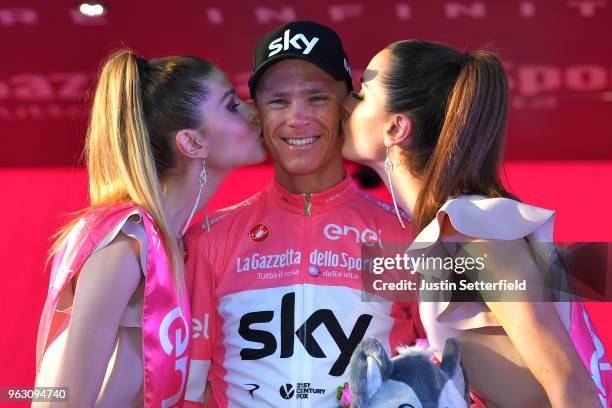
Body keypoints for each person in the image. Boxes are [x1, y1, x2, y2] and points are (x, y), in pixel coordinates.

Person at [342, 39, 610, 407]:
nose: (345, 104)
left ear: (396, 128)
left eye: (361, 94)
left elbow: (572, 387)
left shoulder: (472, 228)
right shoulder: (451, 228)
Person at [184, 21, 424, 407]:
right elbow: (190, 389)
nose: (297, 118)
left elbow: (446, 372)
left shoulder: (403, 233)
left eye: (317, 98)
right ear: (257, 113)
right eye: (278, 101)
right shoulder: (207, 238)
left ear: (348, 106)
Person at [34, 50, 266, 407]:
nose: (254, 112)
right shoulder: (125, 241)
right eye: (232, 106)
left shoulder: (172, 239)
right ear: (192, 143)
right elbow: (60, 400)